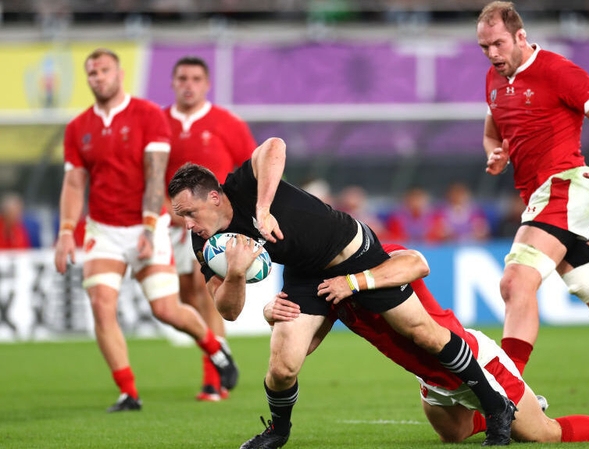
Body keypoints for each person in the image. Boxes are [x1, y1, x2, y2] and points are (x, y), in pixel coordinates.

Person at [168, 137, 517, 447]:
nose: (187, 224)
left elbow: (275, 145)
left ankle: (495, 405)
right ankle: (278, 430)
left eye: (189, 213)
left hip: (352, 253)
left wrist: (263, 210)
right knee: (282, 367)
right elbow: (227, 311)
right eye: (180, 216)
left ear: (214, 197)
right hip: (306, 274)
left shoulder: (243, 185)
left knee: (422, 333)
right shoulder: (205, 243)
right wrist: (235, 274)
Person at [54, 48, 238, 413]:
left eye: (104, 71)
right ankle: (128, 392)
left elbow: (157, 173)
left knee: (167, 309)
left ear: (119, 74)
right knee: (101, 305)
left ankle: (215, 349)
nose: (98, 78)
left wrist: (150, 224)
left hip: (146, 224)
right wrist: (65, 232)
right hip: (103, 229)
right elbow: (75, 184)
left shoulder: (148, 115)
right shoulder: (78, 128)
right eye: (92, 73)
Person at [265, 242, 589, 444]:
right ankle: (514, 409)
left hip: (472, 361)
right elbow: (305, 345)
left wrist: (356, 281)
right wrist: (275, 314)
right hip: (431, 379)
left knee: (544, 435)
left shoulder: (379, 257)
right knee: (452, 436)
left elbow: (419, 263)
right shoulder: (326, 289)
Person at [477, 2, 589, 375]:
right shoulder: (493, 80)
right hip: (537, 197)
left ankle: (507, 392)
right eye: (484, 47)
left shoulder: (558, 71)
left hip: (565, 186)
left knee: (516, 281)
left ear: (520, 35)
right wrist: (495, 155)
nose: (492, 54)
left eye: (498, 44)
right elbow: (491, 133)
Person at [164, 55, 256, 401]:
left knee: (206, 295)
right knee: (186, 296)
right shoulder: (158, 122)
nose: (189, 84)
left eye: (196, 78)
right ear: (173, 83)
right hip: (169, 222)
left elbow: (250, 168)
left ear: (207, 84)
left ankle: (214, 377)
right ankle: (218, 356)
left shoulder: (226, 123)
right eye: (182, 78)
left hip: (210, 226)